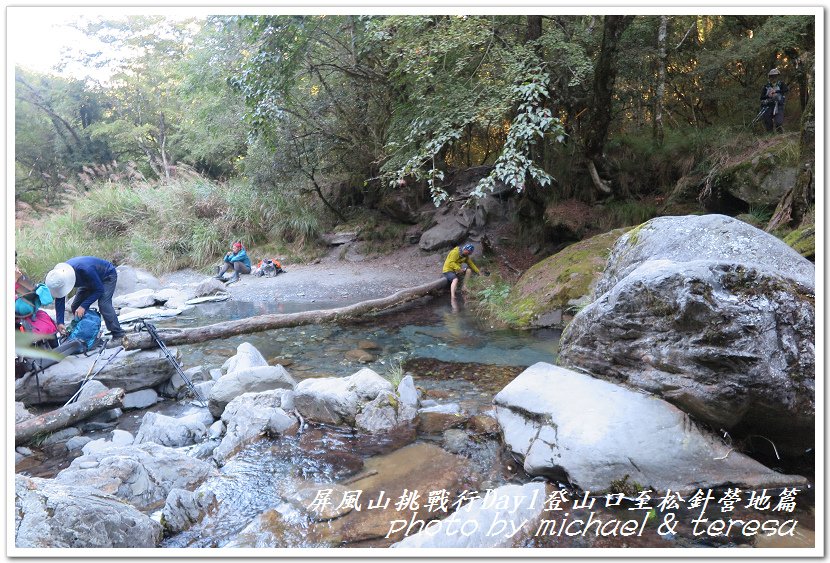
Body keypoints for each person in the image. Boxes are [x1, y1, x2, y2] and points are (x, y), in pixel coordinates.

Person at [45, 256, 126, 344]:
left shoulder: (85, 270)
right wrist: (60, 322)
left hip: (106, 276)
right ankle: (90, 332)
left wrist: (83, 306)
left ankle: (118, 335)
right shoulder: (59, 276)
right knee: (75, 307)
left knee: (104, 304)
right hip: (88, 281)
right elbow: (60, 298)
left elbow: (99, 290)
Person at [759, 67, 788, 133]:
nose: (773, 78)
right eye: (772, 76)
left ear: (777, 77)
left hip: (779, 105)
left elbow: (786, 90)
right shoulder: (766, 86)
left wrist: (776, 91)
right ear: (769, 77)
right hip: (768, 106)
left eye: (775, 76)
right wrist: (768, 95)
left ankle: (780, 137)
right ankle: (770, 138)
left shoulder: (781, 84)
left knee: (778, 122)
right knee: (768, 123)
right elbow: (761, 97)